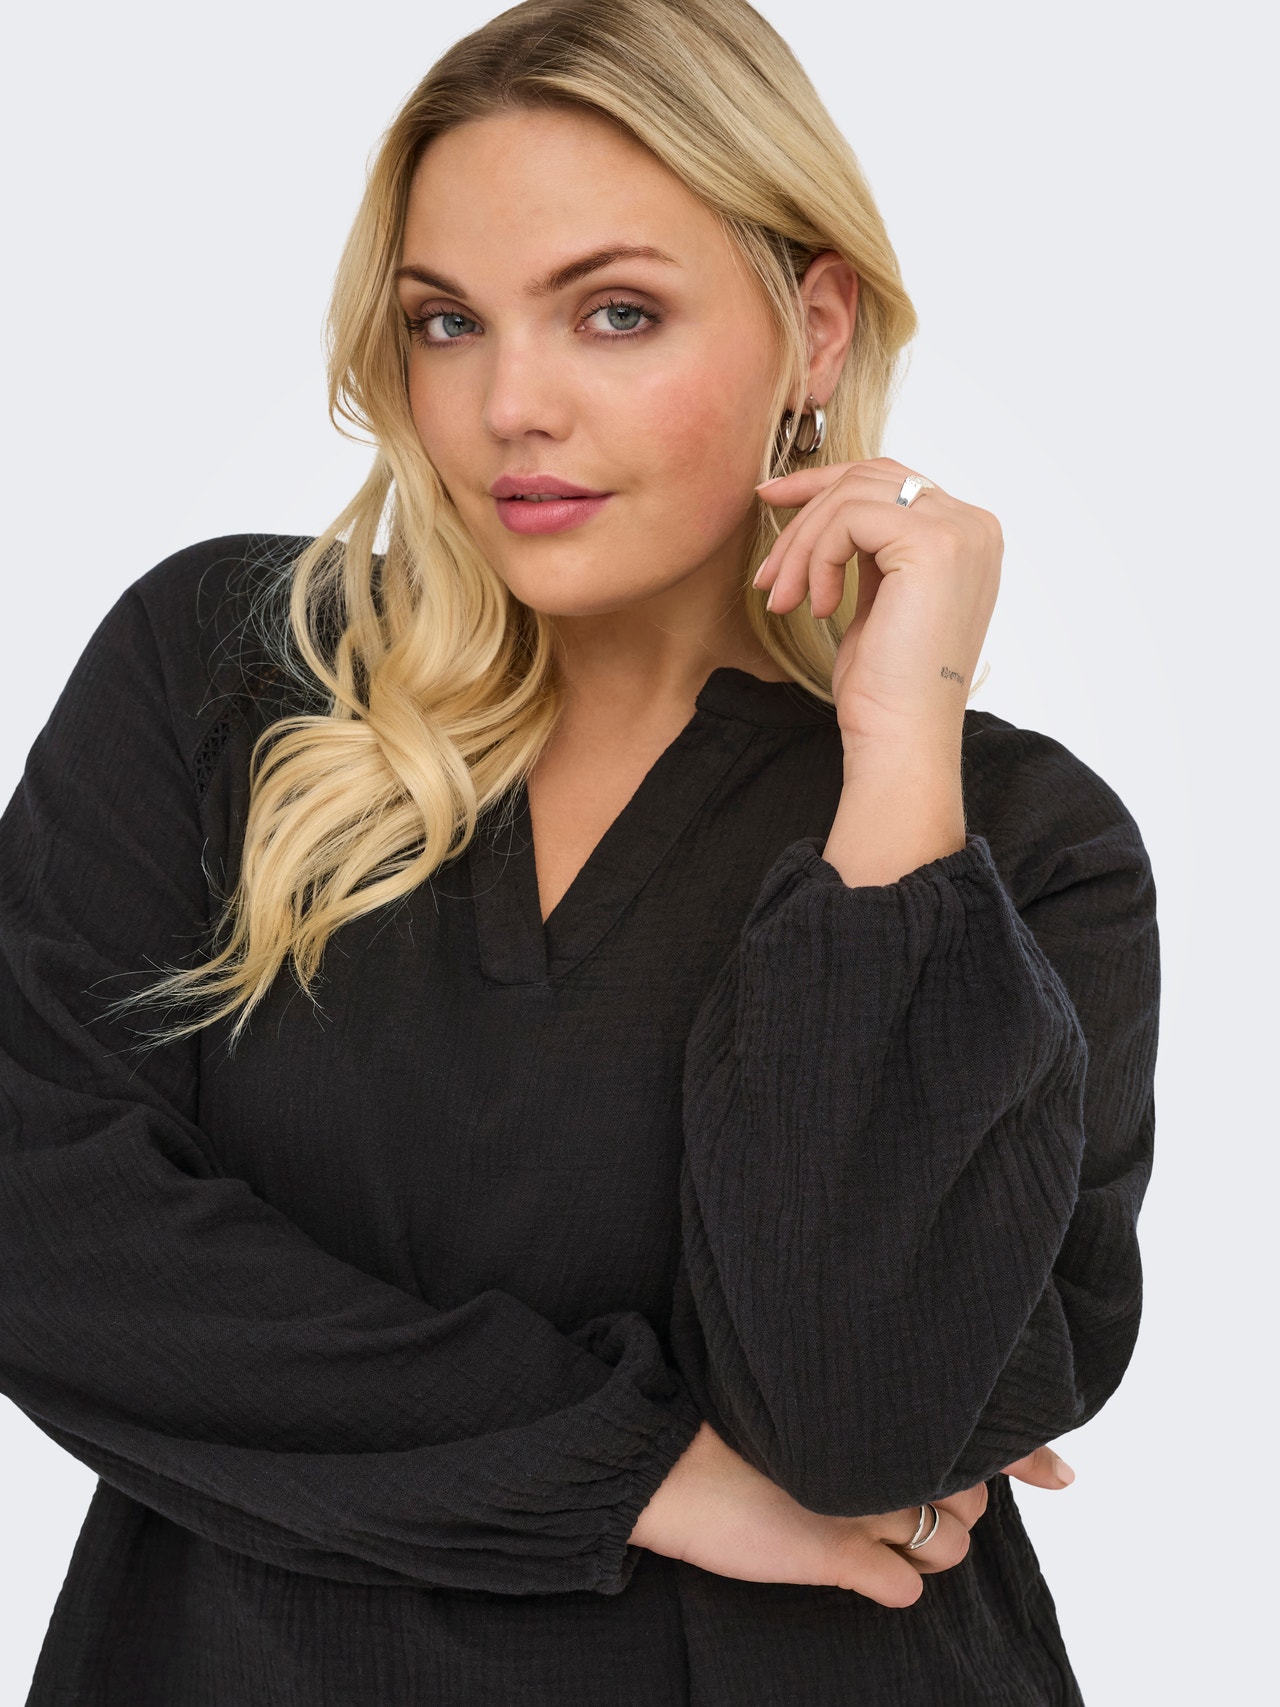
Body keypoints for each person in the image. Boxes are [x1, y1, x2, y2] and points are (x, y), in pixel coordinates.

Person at [0, 0, 1160, 1702]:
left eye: (616, 313)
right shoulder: (232, 676)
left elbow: (862, 1419)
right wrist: (643, 1469)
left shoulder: (1026, 849)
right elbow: (41, 1228)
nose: (509, 406)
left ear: (814, 326)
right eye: (447, 322)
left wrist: (902, 748)